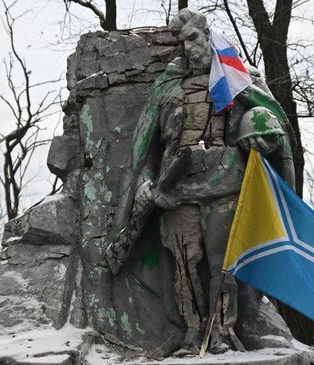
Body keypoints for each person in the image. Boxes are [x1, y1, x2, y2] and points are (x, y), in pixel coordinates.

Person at [107, 8, 298, 354]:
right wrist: (145, 185)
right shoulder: (166, 85)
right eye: (181, 42)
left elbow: (270, 129)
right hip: (174, 188)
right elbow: (145, 149)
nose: (187, 47)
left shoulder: (238, 77)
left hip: (224, 181)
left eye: (192, 37)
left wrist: (265, 140)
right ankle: (194, 332)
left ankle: (222, 332)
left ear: (207, 34)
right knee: (184, 261)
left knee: (222, 262)